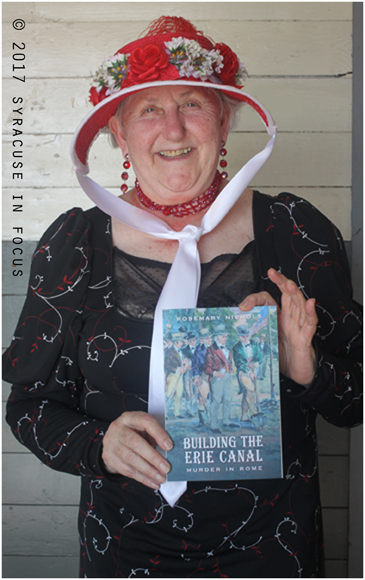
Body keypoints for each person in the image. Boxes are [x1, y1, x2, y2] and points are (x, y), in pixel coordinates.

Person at [3, 16, 362, 578]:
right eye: (148, 109)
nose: (173, 129)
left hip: (274, 548)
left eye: (192, 104)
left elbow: (355, 400)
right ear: (118, 133)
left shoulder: (296, 230)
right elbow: (28, 407)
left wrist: (303, 365)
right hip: (123, 546)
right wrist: (100, 443)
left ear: (223, 122)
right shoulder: (73, 243)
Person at [232, 324, 263, 425]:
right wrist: (248, 371)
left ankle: (244, 416)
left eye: (246, 336)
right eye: (242, 336)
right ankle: (254, 412)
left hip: (254, 370)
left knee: (247, 393)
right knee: (250, 389)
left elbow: (259, 357)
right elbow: (238, 363)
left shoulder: (254, 344)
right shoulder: (236, 348)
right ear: (239, 336)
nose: (244, 338)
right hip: (243, 372)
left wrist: (256, 363)